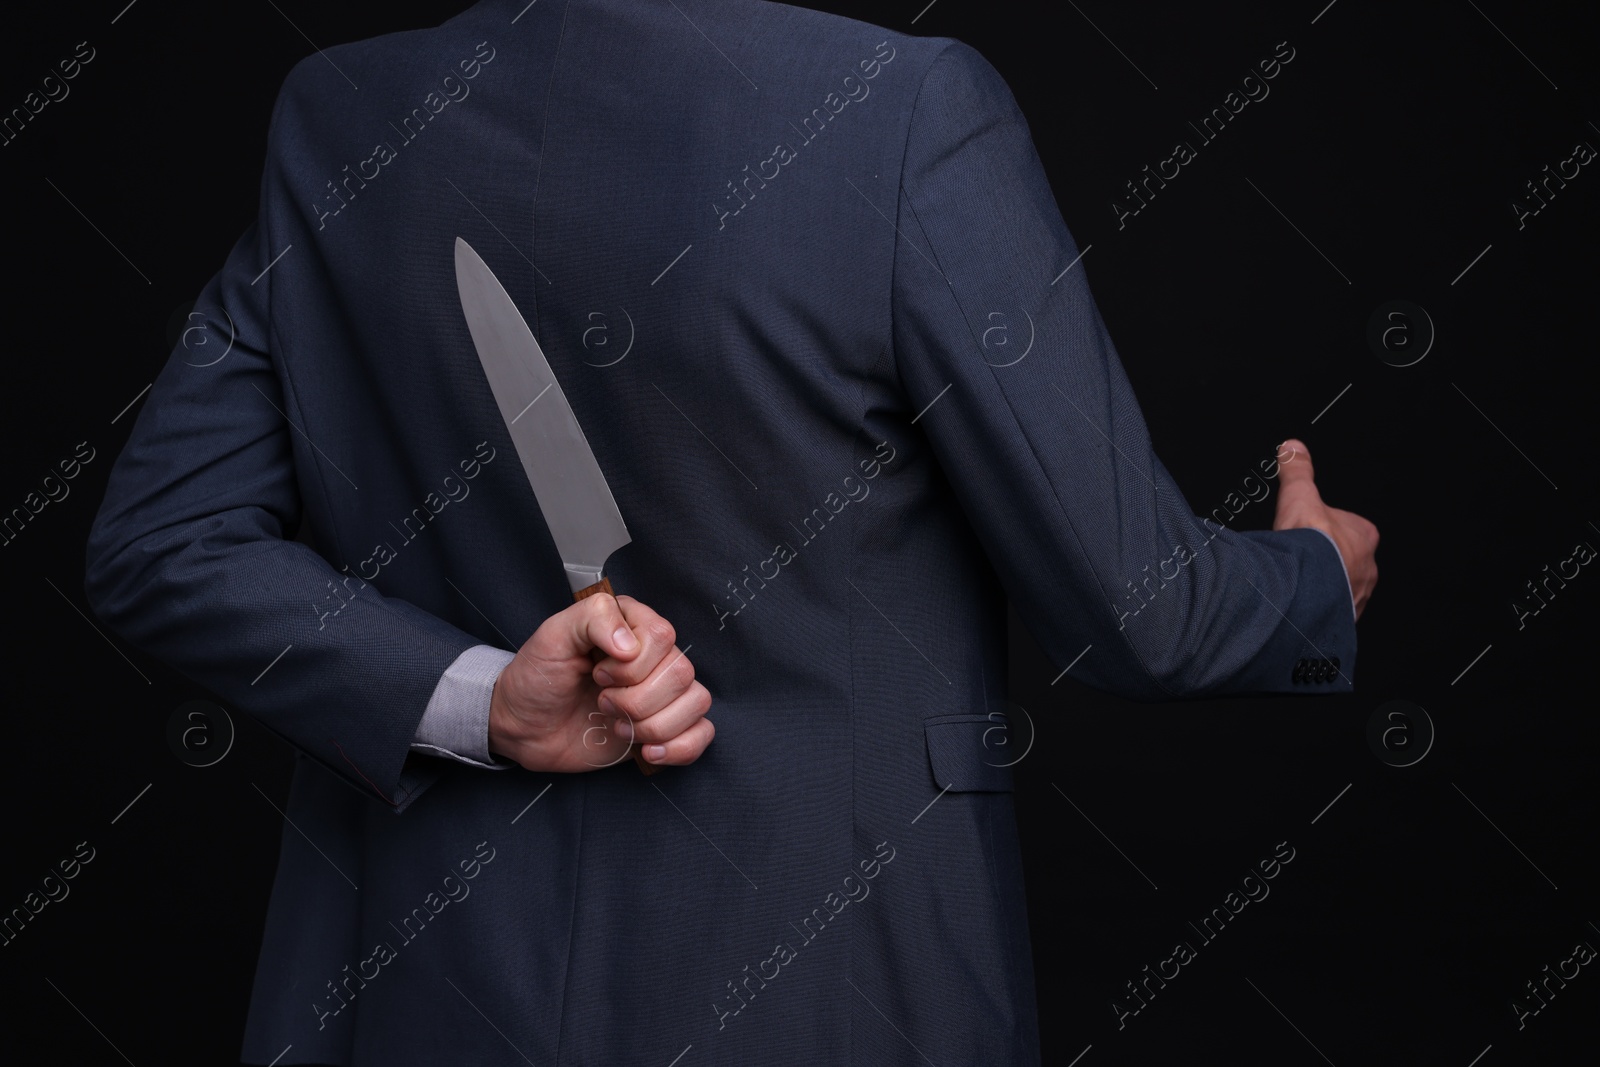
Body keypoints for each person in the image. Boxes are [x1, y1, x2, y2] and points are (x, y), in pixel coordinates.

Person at [83, 0, 1377, 1063]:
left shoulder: (342, 119)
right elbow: (1149, 619)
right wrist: (1316, 582)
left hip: (422, 997)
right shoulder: (904, 112)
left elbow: (162, 542)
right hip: (836, 1001)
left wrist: (476, 702)